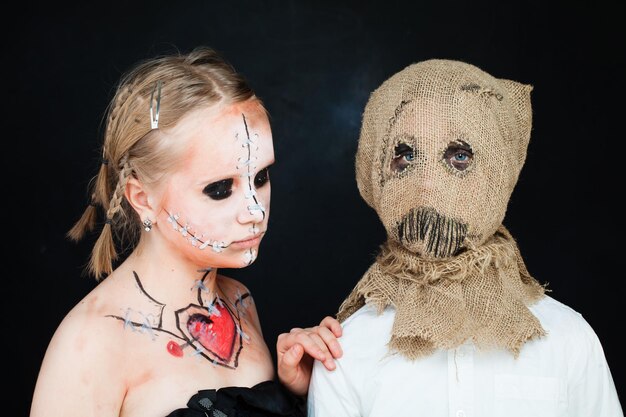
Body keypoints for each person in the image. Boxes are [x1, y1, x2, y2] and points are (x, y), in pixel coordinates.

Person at [29, 46, 342, 417]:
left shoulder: (240, 303)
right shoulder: (93, 342)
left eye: (260, 178)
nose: (255, 211)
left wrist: (302, 393)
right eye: (220, 189)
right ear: (143, 199)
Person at [307, 59, 623, 416]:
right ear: (373, 173)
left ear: (500, 171)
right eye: (405, 157)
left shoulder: (567, 340)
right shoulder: (346, 352)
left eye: (459, 156)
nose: (427, 184)